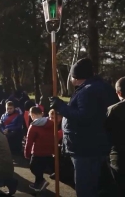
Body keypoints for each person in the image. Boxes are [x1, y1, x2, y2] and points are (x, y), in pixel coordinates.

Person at [49, 58, 119, 197]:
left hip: (84, 147)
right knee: (96, 184)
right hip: (98, 143)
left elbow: (84, 117)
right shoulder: (102, 87)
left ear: (76, 77)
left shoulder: (87, 91)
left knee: (85, 187)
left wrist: (61, 107)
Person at [24, 106, 54, 192]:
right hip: (48, 150)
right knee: (40, 168)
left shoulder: (33, 126)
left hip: (37, 151)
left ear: (32, 114)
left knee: (33, 167)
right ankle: (38, 184)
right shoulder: (51, 123)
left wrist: (27, 153)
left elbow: (29, 142)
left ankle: (41, 181)